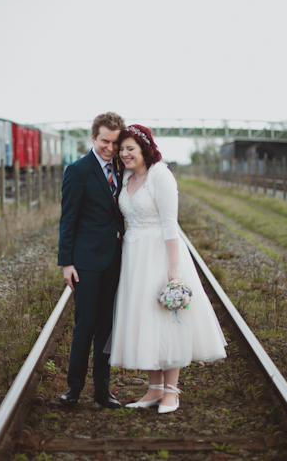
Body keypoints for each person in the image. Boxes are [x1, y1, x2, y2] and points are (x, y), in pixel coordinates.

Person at [107, 124, 227, 414]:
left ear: (145, 148)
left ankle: (171, 392)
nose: (124, 154)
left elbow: (170, 225)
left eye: (130, 149)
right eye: (121, 149)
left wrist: (175, 269)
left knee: (166, 319)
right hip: (135, 257)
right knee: (145, 319)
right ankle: (154, 389)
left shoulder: (160, 175)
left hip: (160, 254)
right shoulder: (126, 179)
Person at [57, 112, 126, 409]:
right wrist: (66, 262)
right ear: (93, 138)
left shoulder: (123, 170)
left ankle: (102, 390)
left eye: (114, 142)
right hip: (85, 261)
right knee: (85, 324)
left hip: (115, 260)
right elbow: (68, 218)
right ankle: (73, 388)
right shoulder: (78, 170)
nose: (110, 148)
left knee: (107, 326)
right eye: (104, 141)